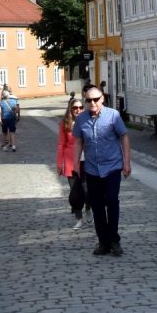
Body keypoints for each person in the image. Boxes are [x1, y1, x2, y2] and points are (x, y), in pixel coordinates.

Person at [73, 87, 130, 256]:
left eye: (95, 99)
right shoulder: (81, 119)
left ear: (102, 99)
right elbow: (78, 142)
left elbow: (124, 137)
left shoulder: (113, 115)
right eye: (88, 100)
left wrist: (126, 162)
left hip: (112, 166)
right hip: (92, 168)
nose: (92, 103)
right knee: (97, 205)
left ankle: (114, 240)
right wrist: (75, 162)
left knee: (112, 201)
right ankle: (103, 242)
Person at [56, 97, 87, 230]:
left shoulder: (88, 121)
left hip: (87, 161)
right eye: (75, 108)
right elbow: (61, 144)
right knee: (75, 194)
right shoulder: (65, 124)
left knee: (87, 190)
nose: (78, 110)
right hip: (71, 162)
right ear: (70, 109)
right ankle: (79, 219)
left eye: (80, 108)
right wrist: (59, 164)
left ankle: (89, 207)